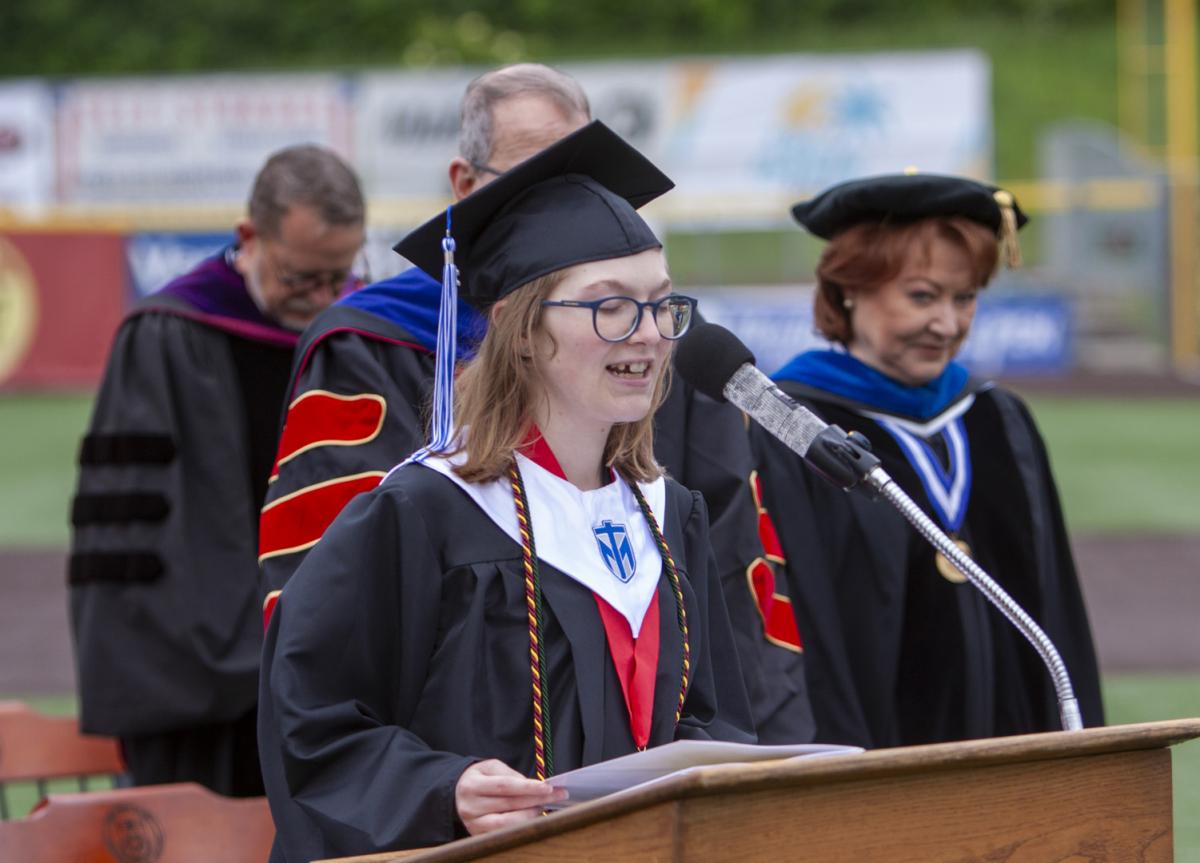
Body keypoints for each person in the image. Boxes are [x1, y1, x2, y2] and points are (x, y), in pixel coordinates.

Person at [258, 63, 813, 742]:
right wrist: (436, 785)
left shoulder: (654, 373)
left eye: (583, 185)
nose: (567, 208)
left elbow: (732, 589)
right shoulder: (372, 355)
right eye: (531, 182)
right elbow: (328, 635)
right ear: (464, 186)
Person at [751, 173, 1104, 749]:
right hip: (872, 759)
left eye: (964, 298)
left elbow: (1057, 606)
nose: (947, 324)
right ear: (849, 290)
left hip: (1017, 750)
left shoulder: (999, 420)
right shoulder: (795, 429)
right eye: (922, 296)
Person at [67, 145, 366, 796]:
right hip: (211, 683)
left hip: (341, 676)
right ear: (249, 237)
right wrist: (266, 657)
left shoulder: (362, 334)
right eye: (299, 277)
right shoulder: (170, 334)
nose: (319, 298)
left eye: (337, 277)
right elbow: (146, 529)